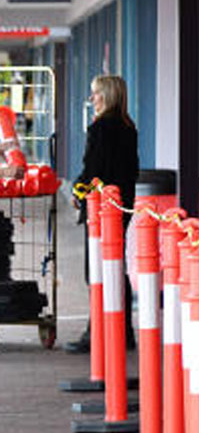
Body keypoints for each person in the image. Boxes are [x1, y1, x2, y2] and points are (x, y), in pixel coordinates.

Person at [65, 74, 139, 354]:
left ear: (107, 96)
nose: (92, 98)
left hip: (100, 208)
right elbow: (130, 169)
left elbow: (93, 169)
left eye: (96, 93)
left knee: (95, 270)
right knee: (116, 266)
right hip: (122, 204)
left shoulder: (99, 128)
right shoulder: (128, 128)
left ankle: (96, 332)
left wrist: (78, 191)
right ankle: (123, 331)